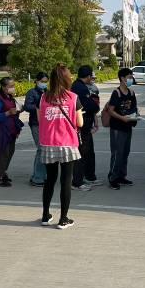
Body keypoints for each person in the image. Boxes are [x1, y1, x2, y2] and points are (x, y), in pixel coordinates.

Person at [39, 64, 83, 229]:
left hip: (48, 143)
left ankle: (45, 215)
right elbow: (79, 122)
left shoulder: (44, 98)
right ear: (67, 78)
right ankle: (63, 219)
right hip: (67, 143)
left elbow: (40, 118)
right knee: (66, 181)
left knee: (49, 180)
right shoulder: (73, 97)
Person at [106, 68, 139, 190]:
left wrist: (136, 116)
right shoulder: (116, 93)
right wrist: (122, 118)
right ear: (122, 78)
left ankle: (121, 176)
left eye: (131, 77)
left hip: (127, 126)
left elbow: (134, 108)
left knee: (125, 153)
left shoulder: (131, 93)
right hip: (117, 127)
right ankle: (113, 178)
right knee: (117, 153)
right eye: (129, 77)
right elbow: (110, 110)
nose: (131, 79)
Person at [71, 65, 101, 190]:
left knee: (89, 152)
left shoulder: (79, 86)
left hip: (85, 124)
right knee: (82, 153)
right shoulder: (80, 88)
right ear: (88, 76)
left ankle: (89, 176)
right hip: (81, 125)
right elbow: (90, 106)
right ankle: (77, 182)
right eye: (91, 76)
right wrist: (95, 106)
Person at [0, 77, 23, 187]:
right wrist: (8, 113)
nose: (12, 88)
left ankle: (3, 172)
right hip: (1, 131)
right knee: (3, 154)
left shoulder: (10, 97)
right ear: (4, 87)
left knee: (10, 153)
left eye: (13, 86)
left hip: (11, 130)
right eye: (10, 86)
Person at [23, 72, 48, 186]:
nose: (43, 84)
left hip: (46, 124)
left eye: (45, 81)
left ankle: (42, 175)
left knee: (45, 150)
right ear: (36, 81)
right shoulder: (32, 93)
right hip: (36, 124)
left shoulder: (47, 92)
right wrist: (40, 106)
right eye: (42, 81)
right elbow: (27, 106)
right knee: (41, 149)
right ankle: (37, 177)